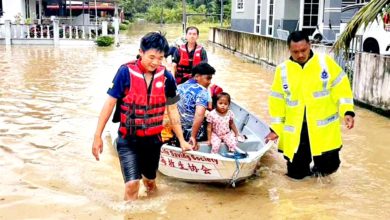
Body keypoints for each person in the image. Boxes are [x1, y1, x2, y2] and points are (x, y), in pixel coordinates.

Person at [91, 32, 193, 201]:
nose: (155, 62)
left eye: (160, 58)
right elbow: (109, 104)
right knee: (132, 186)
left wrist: (182, 140)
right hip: (128, 139)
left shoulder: (167, 77)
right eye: (151, 57)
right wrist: (97, 136)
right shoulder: (124, 72)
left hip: (153, 141)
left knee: (150, 183)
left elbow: (173, 110)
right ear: (141, 52)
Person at [267, 31, 355, 180]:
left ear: (310, 45)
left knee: (327, 171)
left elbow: (341, 87)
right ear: (289, 50)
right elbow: (277, 101)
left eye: (303, 50)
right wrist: (276, 128)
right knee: (296, 176)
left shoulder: (325, 63)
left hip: (323, 130)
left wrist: (347, 112)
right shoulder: (282, 70)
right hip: (296, 131)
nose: (300, 55)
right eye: (295, 52)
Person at [177, 62, 215, 146]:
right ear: (197, 76)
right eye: (208, 78)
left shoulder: (179, 87)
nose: (210, 82)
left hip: (177, 130)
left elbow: (170, 108)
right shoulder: (202, 92)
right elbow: (199, 114)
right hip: (191, 134)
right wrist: (193, 137)